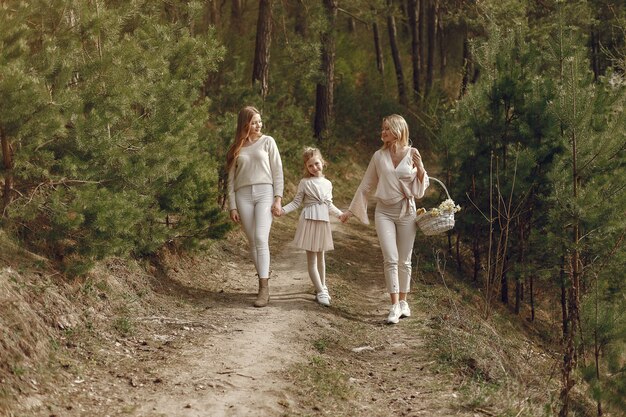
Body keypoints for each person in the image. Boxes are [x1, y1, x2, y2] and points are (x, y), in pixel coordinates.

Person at [339, 114, 428, 324]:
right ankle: (394, 305)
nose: (383, 132)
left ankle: (404, 302)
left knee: (405, 260)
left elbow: (420, 189)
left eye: (387, 128)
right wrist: (350, 212)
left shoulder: (413, 153)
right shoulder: (378, 156)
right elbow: (366, 185)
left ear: (398, 130)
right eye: (382, 129)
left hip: (407, 211)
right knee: (390, 258)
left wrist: (422, 169)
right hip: (384, 212)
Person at [226, 106, 283, 307]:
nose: (258, 125)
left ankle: (264, 288)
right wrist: (232, 206)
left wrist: (278, 197)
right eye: (254, 122)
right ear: (245, 124)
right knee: (252, 241)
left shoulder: (268, 142)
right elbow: (230, 180)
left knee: (260, 238)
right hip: (243, 196)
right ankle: (263, 276)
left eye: (260, 121)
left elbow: (277, 171)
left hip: (265, 192)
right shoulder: (236, 148)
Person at [277, 147, 344, 306]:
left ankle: (323, 286)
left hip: (323, 221)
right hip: (309, 220)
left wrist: (341, 214)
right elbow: (296, 202)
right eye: (310, 166)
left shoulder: (328, 183)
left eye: (316, 163)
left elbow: (329, 205)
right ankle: (320, 291)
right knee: (312, 258)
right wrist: (282, 210)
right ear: (306, 167)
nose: (314, 168)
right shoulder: (305, 183)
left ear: (322, 162)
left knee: (321, 256)